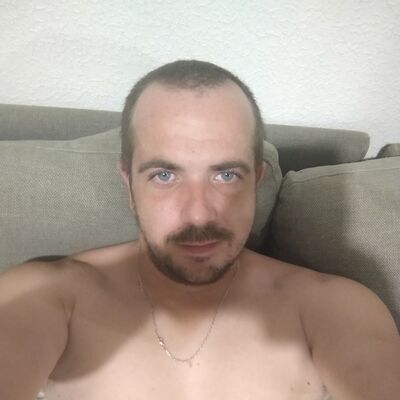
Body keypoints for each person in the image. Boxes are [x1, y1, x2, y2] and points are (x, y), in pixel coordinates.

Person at [1, 60, 399, 400]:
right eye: (164, 175)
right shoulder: (49, 296)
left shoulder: (331, 309)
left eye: (226, 175)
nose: (197, 214)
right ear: (128, 183)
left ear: (256, 180)